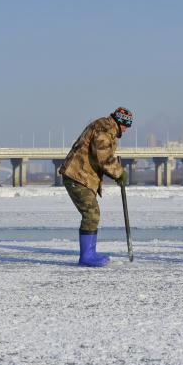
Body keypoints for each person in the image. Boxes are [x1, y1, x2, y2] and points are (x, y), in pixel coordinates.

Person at [59, 108, 132, 267]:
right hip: (77, 176)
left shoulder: (106, 127)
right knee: (91, 214)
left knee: (92, 214)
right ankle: (87, 256)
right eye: (126, 126)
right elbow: (103, 157)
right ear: (119, 122)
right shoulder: (104, 129)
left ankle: (89, 253)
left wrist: (116, 173)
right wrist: (118, 173)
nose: (126, 130)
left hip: (83, 176)